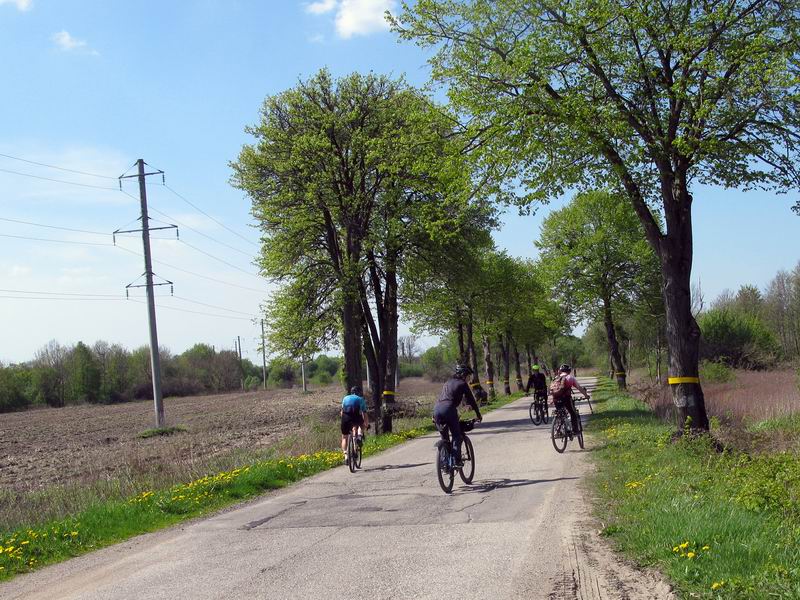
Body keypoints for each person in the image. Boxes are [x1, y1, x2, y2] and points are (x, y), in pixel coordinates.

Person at [434, 364, 482, 466]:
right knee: (457, 436)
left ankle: (444, 463)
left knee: (444, 438)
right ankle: (456, 460)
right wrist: (478, 414)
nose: (469, 379)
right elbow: (472, 400)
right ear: (464, 375)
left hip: (437, 410)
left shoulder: (447, 383)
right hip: (449, 409)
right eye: (468, 376)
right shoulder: (462, 383)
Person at [550, 364, 590, 435]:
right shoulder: (570, 378)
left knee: (560, 413)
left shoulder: (556, 378)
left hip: (556, 399)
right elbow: (579, 388)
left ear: (560, 371)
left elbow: (553, 390)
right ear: (569, 371)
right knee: (572, 413)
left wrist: (552, 399)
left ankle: (558, 431)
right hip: (566, 399)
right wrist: (586, 395)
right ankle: (575, 431)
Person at [340, 385, 369, 463]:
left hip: (345, 418)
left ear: (351, 392)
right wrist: (366, 424)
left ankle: (346, 456)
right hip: (356, 417)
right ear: (359, 393)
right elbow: (364, 413)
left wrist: (343, 421)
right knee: (361, 425)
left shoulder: (345, 398)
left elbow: (342, 411)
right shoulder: (360, 399)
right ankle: (359, 436)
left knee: (344, 437)